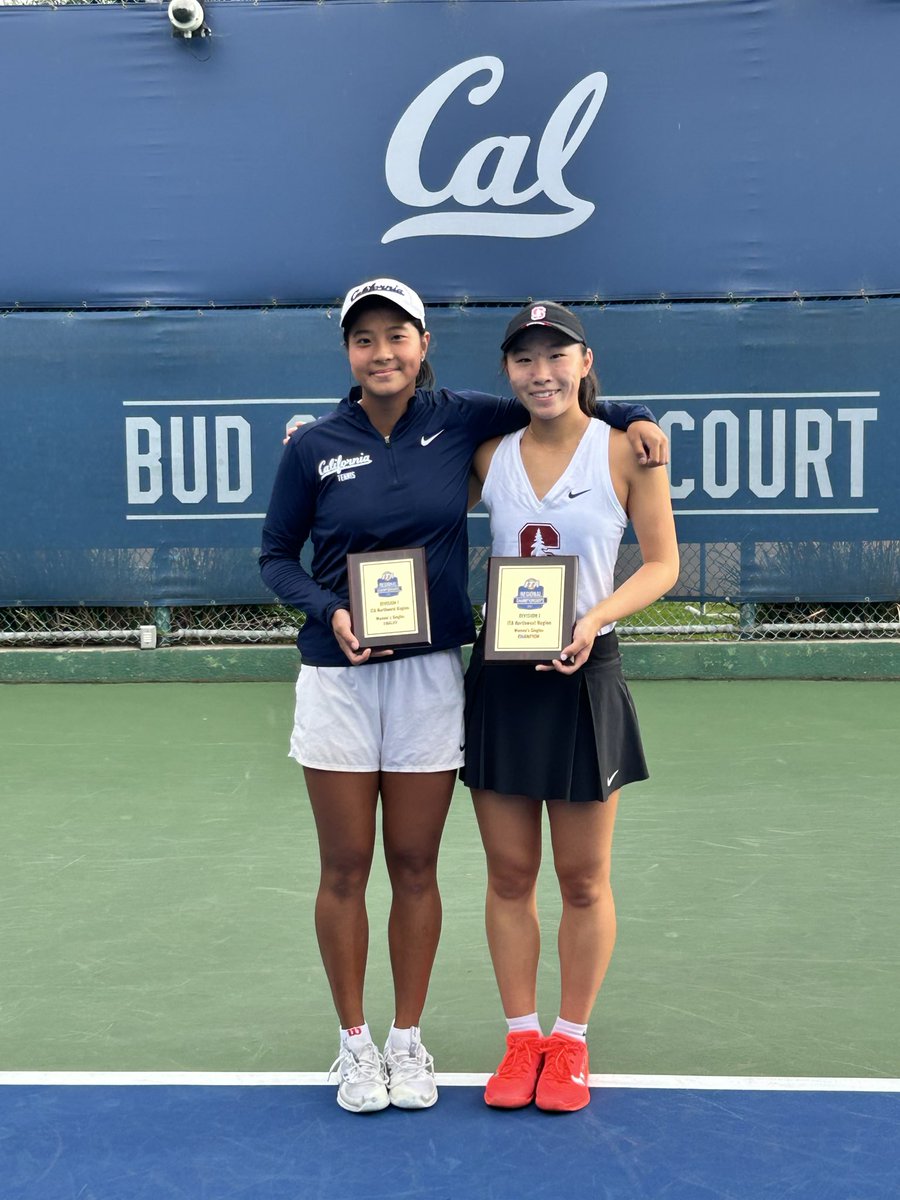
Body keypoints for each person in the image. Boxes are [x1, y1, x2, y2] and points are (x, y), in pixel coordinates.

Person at [259, 279, 668, 1114]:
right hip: (411, 677)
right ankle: (414, 1044)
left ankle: (492, 1045)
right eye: (364, 340)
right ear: (348, 351)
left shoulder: (482, 423)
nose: (382, 353)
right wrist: (331, 609)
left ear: (422, 345)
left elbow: (565, 405)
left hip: (500, 674)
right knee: (415, 870)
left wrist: (632, 412)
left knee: (504, 872)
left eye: (397, 337)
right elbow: (277, 555)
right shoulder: (356, 444)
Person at [461, 302, 679, 1113]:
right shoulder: (487, 455)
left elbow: (662, 563)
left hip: (586, 674)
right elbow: (395, 461)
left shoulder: (629, 450)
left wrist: (593, 619)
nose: (541, 372)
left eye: (557, 356)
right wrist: (311, 439)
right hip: (504, 677)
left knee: (583, 879)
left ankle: (571, 1043)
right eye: (524, 359)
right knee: (510, 875)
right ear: (508, 371)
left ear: (586, 361)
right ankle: (522, 1040)